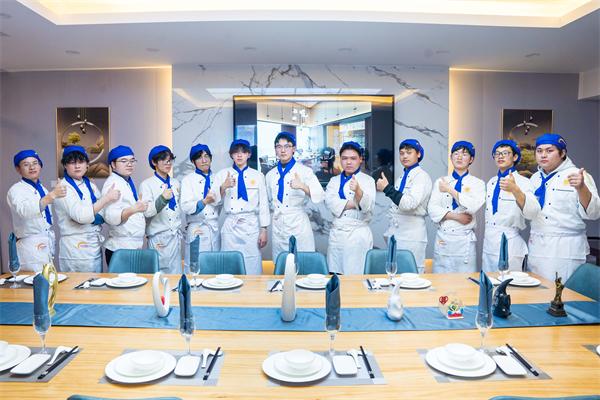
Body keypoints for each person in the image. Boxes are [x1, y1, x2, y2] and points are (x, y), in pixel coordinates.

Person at [528, 133, 600, 281]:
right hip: (537, 247)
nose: (543, 155)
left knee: (562, 293)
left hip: (566, 248)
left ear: (562, 153)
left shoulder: (578, 175)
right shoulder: (535, 178)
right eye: (539, 151)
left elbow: (594, 213)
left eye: (550, 150)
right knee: (537, 291)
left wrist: (581, 188)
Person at [53, 145, 119, 272]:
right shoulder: (63, 188)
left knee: (96, 282)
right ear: (65, 165)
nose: (77, 166)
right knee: (76, 284)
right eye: (72, 162)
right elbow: (81, 216)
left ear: (87, 165)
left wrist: (94, 212)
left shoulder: (90, 185)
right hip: (75, 247)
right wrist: (106, 199)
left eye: (81, 162)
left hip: (93, 245)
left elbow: (103, 213)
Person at [482, 140, 540, 272]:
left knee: (510, 282)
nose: (500, 156)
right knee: (489, 280)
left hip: (510, 240)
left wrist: (515, 189)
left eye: (505, 153)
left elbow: (532, 212)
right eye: (497, 154)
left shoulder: (523, 182)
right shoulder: (491, 182)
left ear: (515, 157)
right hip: (489, 242)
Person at [265, 132, 325, 261]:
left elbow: (319, 196)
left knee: (302, 263)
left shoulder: (305, 171)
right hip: (278, 225)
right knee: (281, 263)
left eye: (287, 146)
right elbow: (268, 201)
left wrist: (302, 186)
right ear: (275, 149)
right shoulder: (270, 175)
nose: (283, 150)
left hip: (298, 224)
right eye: (279, 146)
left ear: (293, 149)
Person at [428, 141, 485, 273]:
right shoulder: (441, 181)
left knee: (465, 281)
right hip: (443, 238)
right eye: (456, 153)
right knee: (441, 281)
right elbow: (432, 209)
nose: (459, 157)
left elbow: (472, 206)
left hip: (464, 240)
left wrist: (450, 190)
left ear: (471, 159)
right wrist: (456, 216)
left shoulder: (478, 183)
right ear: (451, 157)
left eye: (464, 154)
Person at [376, 139, 432, 273]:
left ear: (418, 154)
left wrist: (387, 188)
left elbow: (408, 204)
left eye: (409, 152)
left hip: (412, 233)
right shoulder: (402, 177)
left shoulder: (421, 177)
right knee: (395, 272)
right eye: (401, 153)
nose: (404, 156)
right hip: (397, 231)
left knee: (411, 273)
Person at [215, 139, 270, 274]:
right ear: (231, 155)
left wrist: (264, 230)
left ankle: (253, 287)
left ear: (249, 154)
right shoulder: (222, 174)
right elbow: (214, 201)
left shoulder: (258, 176)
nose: (239, 155)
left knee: (252, 263)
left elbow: (264, 203)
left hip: (250, 225)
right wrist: (223, 187)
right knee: (229, 264)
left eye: (243, 152)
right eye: (236, 152)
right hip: (231, 224)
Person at [7, 150, 66, 272]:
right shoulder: (16, 190)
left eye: (35, 163)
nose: (32, 167)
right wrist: (51, 196)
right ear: (18, 169)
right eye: (26, 164)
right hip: (29, 246)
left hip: (46, 241)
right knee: (35, 281)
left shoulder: (42, 189)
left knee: (48, 279)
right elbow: (24, 211)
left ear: (40, 166)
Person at [325, 141, 376, 275]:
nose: (348, 162)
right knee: (335, 275)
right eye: (344, 158)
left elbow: (367, 206)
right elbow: (331, 204)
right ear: (340, 160)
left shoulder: (368, 180)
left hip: (357, 235)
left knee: (356, 277)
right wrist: (355, 202)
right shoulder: (333, 181)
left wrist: (358, 190)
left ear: (360, 159)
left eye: (353, 158)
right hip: (337, 234)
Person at [101, 145, 148, 266]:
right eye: (123, 161)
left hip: (131, 246)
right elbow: (110, 217)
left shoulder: (126, 182)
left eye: (132, 161)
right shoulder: (113, 184)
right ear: (113, 164)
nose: (129, 164)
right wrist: (133, 209)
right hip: (120, 249)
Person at [140, 145, 182, 274]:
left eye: (169, 160)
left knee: (176, 274)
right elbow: (147, 212)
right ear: (154, 162)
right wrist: (162, 199)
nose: (168, 163)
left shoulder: (176, 183)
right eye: (163, 160)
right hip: (159, 238)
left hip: (175, 237)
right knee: (159, 275)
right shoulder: (146, 184)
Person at [180, 143, 221, 272]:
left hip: (213, 228)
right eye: (199, 157)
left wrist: (224, 188)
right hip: (197, 228)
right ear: (193, 161)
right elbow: (186, 207)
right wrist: (204, 201)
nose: (204, 160)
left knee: (213, 266)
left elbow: (220, 203)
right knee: (195, 267)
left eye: (206, 156)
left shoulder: (218, 178)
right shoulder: (188, 180)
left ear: (211, 158)